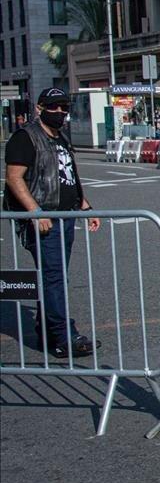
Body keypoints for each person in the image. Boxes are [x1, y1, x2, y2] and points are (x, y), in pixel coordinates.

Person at [4, 88, 102, 358]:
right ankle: (64, 336)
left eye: (63, 107)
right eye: (53, 107)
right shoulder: (26, 138)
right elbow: (14, 178)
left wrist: (86, 205)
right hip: (44, 219)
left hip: (65, 216)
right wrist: (35, 212)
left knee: (53, 277)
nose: (60, 112)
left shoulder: (61, 138)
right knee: (54, 277)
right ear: (39, 108)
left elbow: (68, 176)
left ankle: (46, 333)